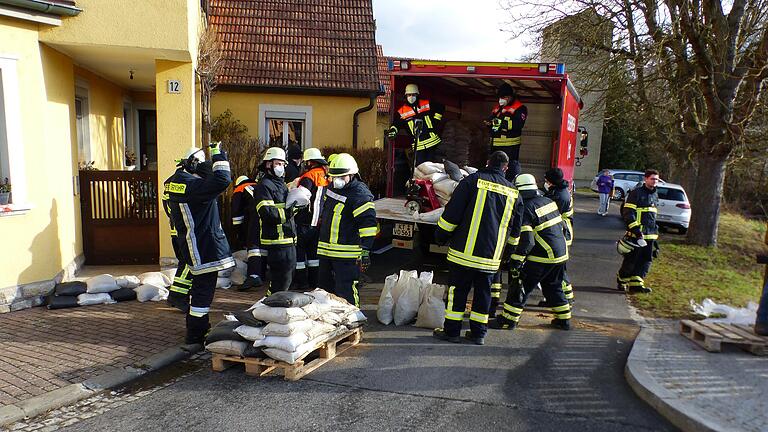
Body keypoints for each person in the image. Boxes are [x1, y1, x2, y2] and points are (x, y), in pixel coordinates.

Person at [433, 151, 524, 345]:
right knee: (483, 296)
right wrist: (506, 254)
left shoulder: (471, 181)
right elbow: (516, 231)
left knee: (457, 293)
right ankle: (478, 334)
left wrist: (440, 236)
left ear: (487, 162)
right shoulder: (514, 193)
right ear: (505, 168)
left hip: (462, 255)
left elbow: (452, 214)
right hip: (491, 259)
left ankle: (452, 332)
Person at [164, 142, 234, 344]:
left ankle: (196, 328)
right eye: (204, 164)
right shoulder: (193, 186)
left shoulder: (179, 181)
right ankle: (196, 333)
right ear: (194, 163)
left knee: (199, 291)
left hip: (192, 244)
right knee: (203, 294)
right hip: (202, 247)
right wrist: (219, 156)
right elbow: (223, 180)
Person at [490, 173, 572, 331]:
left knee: (520, 286)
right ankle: (564, 319)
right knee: (553, 286)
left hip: (542, 256)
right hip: (561, 254)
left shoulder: (526, 208)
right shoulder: (547, 200)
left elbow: (527, 241)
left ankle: (508, 320)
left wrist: (516, 261)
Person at [317, 153, 377, 306]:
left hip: (347, 254)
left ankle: (353, 321)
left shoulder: (360, 195)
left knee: (346, 292)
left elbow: (368, 226)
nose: (336, 181)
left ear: (352, 175)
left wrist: (365, 250)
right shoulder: (333, 187)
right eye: (334, 177)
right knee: (324, 293)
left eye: (341, 177)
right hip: (326, 250)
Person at [254, 147, 297, 294]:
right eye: (278, 163)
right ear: (268, 164)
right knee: (281, 280)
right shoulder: (264, 185)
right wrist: (291, 211)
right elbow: (267, 214)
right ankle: (271, 305)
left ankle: (272, 303)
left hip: (287, 238)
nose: (281, 167)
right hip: (276, 240)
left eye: (282, 164)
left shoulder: (280, 184)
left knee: (285, 279)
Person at [617, 169, 660, 294]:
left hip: (650, 235)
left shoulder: (655, 194)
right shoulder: (636, 193)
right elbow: (628, 213)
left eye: (657, 179)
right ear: (645, 179)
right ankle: (622, 281)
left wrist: (655, 240)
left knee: (646, 260)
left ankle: (636, 284)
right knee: (631, 260)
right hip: (637, 235)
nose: (655, 181)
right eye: (652, 178)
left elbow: (653, 217)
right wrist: (636, 230)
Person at [294, 147, 330, 290]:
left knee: (300, 254)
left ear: (309, 162)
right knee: (314, 255)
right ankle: (314, 282)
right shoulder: (328, 176)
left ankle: (301, 282)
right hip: (320, 222)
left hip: (305, 221)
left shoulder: (309, 176)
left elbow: (301, 197)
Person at [489, 160, 522, 318]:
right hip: (502, 242)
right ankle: (492, 307)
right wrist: (510, 251)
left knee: (493, 277)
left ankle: (491, 305)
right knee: (496, 276)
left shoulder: (486, 185)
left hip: (491, 240)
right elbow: (516, 227)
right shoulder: (514, 193)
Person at [388, 84, 445, 165]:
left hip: (433, 143)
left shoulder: (426, 104)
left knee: (434, 169)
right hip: (418, 147)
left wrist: (436, 121)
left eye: (413, 95)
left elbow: (440, 107)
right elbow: (396, 124)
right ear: (405, 96)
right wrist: (393, 131)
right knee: (420, 169)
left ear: (417, 95)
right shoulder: (402, 112)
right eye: (409, 95)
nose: (411, 97)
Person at [544, 168, 575, 304]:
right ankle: (561, 296)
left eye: (547, 180)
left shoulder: (559, 195)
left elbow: (549, 213)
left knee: (558, 268)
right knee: (557, 269)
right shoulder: (560, 191)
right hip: (562, 231)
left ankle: (565, 297)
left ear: (551, 181)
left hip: (562, 233)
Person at [231, 175, 266, 291]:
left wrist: (240, 233)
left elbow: (236, 214)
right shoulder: (259, 186)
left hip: (255, 218)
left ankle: (253, 276)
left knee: (253, 248)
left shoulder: (240, 189)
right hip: (268, 217)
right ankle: (262, 275)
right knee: (263, 248)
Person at [162, 174, 191, 313]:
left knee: (183, 264)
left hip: (176, 231)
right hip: (184, 232)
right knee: (188, 264)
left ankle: (177, 295)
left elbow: (170, 211)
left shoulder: (169, 184)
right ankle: (177, 296)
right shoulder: (186, 182)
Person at [487, 83, 527, 170]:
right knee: (493, 168)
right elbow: (492, 120)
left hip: (510, 147)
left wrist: (500, 123)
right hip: (495, 145)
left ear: (510, 97)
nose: (501, 100)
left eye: (503, 97)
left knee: (509, 169)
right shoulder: (498, 108)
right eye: (500, 97)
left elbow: (518, 124)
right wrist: (489, 123)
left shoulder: (520, 108)